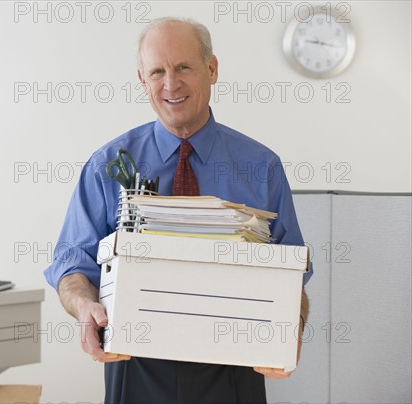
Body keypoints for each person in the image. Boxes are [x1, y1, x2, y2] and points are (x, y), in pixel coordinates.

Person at [44, 17, 311, 403]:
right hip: (133, 365)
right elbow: (72, 263)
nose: (170, 84)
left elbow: (294, 272)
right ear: (142, 79)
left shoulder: (261, 167)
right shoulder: (108, 165)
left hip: (234, 371)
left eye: (183, 67)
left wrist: (292, 327)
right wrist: (84, 305)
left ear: (212, 69)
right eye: (157, 72)